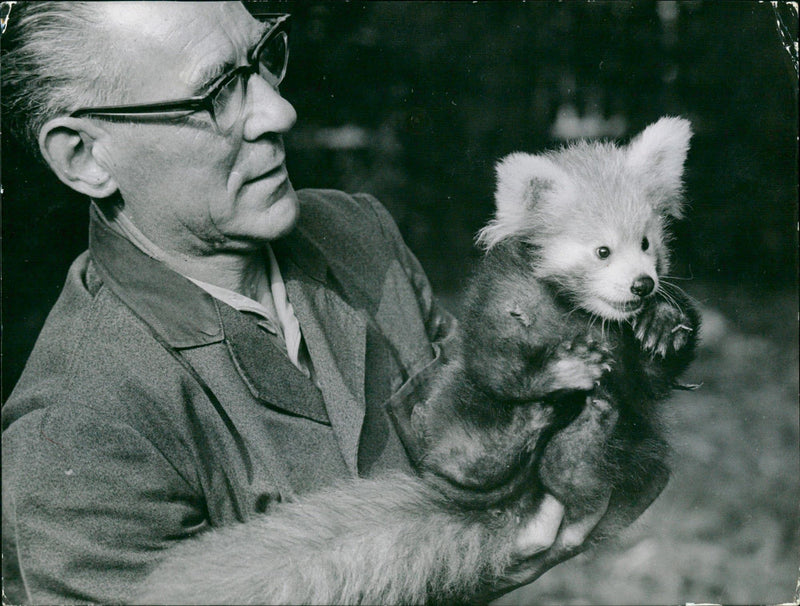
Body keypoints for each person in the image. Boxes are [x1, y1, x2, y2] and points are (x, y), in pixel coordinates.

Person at [1, 2, 626, 603]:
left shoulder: (357, 235)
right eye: (216, 93)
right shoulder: (77, 430)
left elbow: (509, 419)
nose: (279, 110)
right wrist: (467, 567)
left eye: (263, 56)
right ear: (84, 158)